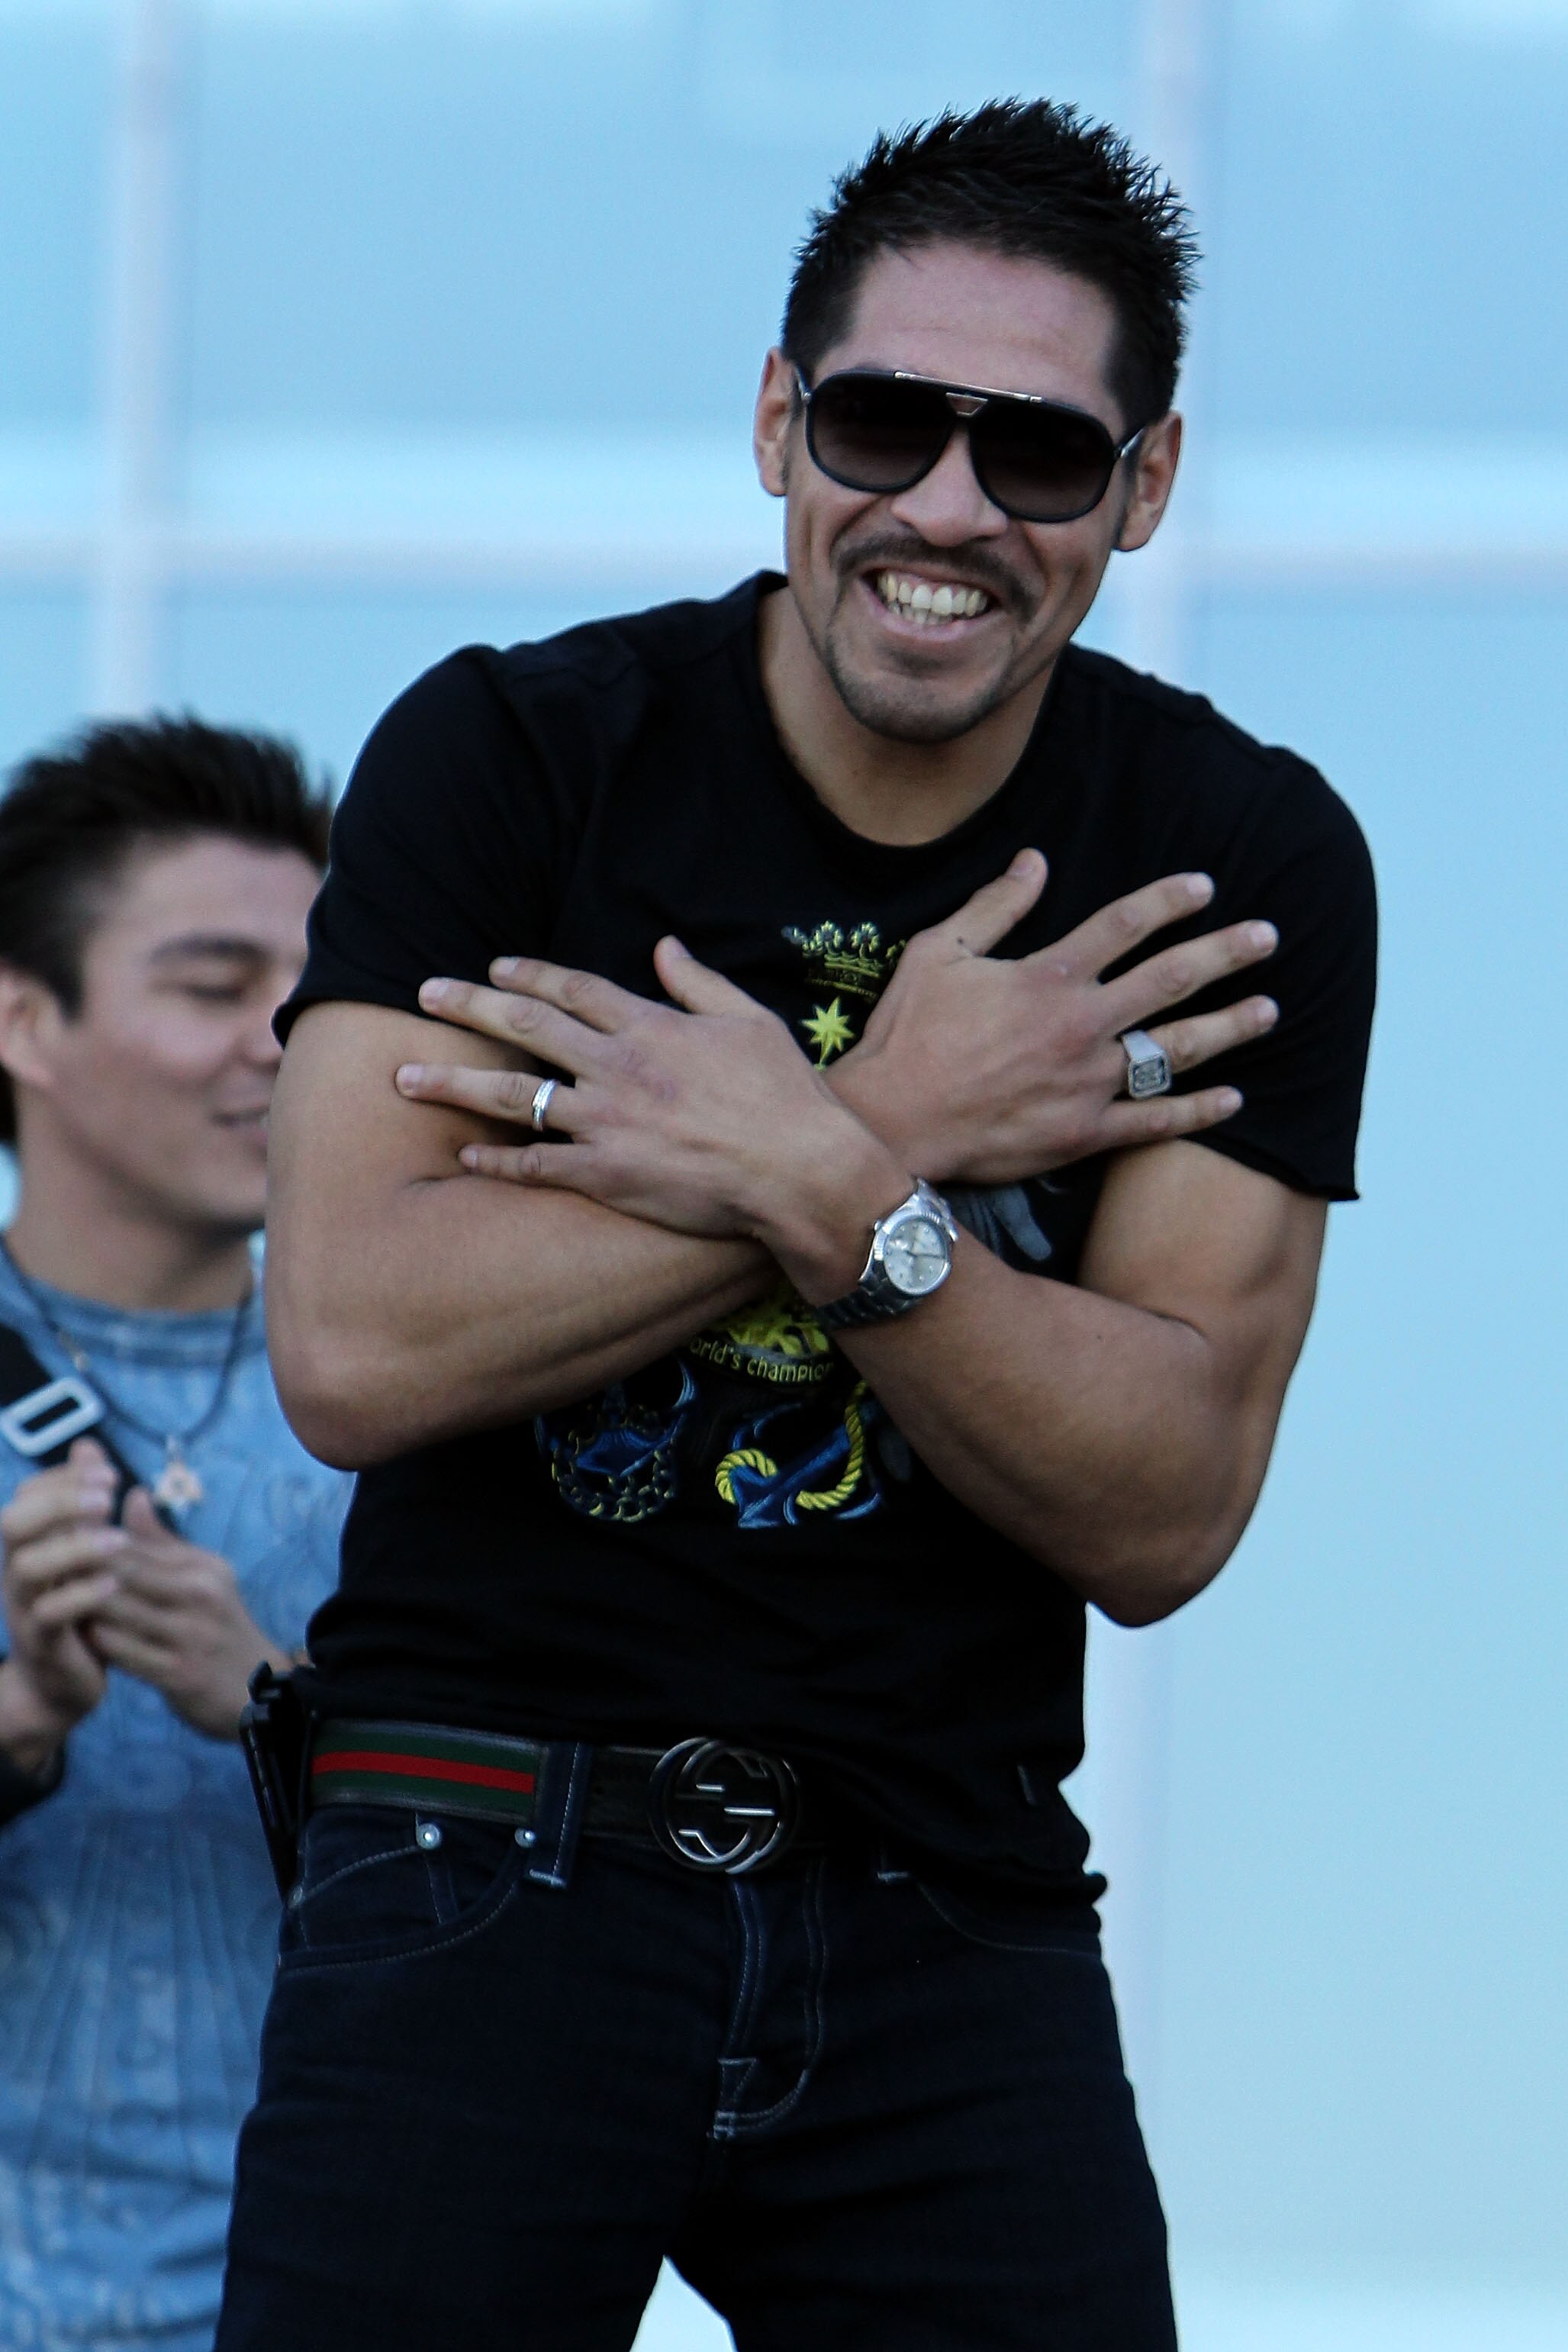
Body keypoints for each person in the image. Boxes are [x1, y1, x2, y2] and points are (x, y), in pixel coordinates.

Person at [221, 101, 1376, 2351]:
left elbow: (1163, 1502)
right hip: (482, 1843)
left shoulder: (1228, 861)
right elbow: (356, 1343)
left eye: (1040, 454)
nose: (948, 506)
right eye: (883, 419)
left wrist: (828, 1181)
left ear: (1141, 489)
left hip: (948, 1892)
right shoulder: (515, 760)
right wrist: (908, 1107)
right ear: (777, 424)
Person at [0, 718, 350, 2351]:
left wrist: (271, 1691)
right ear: (24, 1014)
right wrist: (21, 1720)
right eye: (213, 987)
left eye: (308, 992)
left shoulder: (403, 1404)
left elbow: (541, 1870)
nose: (278, 1043)